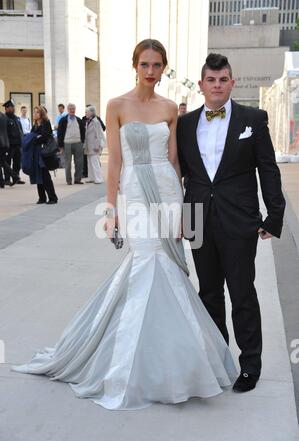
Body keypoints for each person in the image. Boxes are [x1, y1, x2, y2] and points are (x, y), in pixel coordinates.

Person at [12, 40, 237, 411]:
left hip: (166, 191)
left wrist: (182, 209)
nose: (151, 71)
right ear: (135, 65)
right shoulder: (116, 105)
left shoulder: (168, 108)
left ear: (164, 68)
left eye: (158, 65)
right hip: (134, 190)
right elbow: (114, 162)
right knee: (147, 263)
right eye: (145, 64)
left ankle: (174, 363)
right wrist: (111, 208)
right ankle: (129, 366)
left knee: (170, 270)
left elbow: (175, 161)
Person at [177, 53, 286, 393]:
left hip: (239, 219)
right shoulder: (183, 124)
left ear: (232, 82)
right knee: (207, 292)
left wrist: (275, 215)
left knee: (242, 293)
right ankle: (217, 358)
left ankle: (250, 365)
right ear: (201, 85)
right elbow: (177, 173)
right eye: (211, 80)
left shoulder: (253, 119)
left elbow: (267, 168)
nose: (217, 85)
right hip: (195, 216)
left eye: (223, 79)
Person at [30, 106, 58, 205]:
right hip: (36, 153)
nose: (35, 114)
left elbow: (46, 136)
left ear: (41, 113)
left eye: (37, 112)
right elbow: (32, 136)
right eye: (34, 112)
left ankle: (52, 198)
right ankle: (42, 197)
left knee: (45, 176)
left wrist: (36, 138)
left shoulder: (45, 122)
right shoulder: (35, 125)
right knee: (39, 175)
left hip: (44, 153)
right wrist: (36, 137)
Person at [57, 103, 85, 185]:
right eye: (70, 109)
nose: (72, 110)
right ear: (68, 110)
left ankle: (77, 179)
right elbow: (60, 133)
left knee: (79, 162)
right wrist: (61, 146)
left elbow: (83, 132)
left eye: (73, 109)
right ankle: (68, 180)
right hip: (67, 144)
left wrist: (82, 142)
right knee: (68, 163)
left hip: (78, 143)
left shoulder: (79, 120)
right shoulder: (63, 120)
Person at [3, 100, 26, 185]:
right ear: (6, 109)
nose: (13, 109)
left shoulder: (16, 118)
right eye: (11, 107)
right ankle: (7, 179)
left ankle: (16, 177)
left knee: (17, 162)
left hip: (18, 144)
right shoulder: (4, 118)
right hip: (9, 145)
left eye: (13, 107)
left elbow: (20, 130)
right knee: (8, 162)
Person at [82, 106, 106, 178]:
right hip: (88, 145)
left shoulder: (96, 122)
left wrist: (98, 146)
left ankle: (98, 178)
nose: (85, 113)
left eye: (87, 112)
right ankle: (91, 177)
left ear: (91, 113)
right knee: (89, 163)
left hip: (94, 145)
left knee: (95, 162)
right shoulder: (88, 121)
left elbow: (99, 135)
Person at [0, 111, 21, 188]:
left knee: (2, 161)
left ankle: (3, 181)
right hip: (5, 142)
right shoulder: (3, 116)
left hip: (1, 142)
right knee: (2, 161)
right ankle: (13, 177)